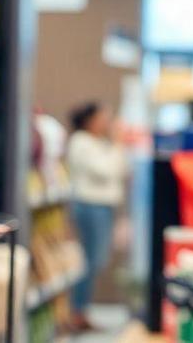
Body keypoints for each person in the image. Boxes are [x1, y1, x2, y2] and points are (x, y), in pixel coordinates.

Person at [67, 101, 128, 332]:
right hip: (91, 207)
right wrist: (119, 143)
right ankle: (77, 312)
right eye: (103, 117)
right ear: (90, 120)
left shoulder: (99, 143)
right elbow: (107, 171)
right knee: (90, 261)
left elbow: (121, 169)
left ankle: (81, 310)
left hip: (102, 208)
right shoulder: (81, 142)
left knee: (95, 260)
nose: (107, 122)